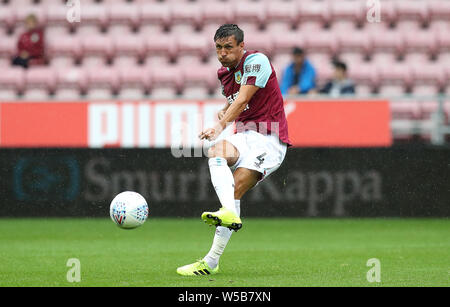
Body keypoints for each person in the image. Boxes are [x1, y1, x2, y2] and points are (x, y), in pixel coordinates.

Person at [176, 24, 291, 276]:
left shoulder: (257, 60)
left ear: (241, 45)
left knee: (236, 188)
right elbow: (236, 104)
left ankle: (211, 261)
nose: (223, 52)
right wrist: (224, 112)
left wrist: (220, 124)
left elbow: (243, 100)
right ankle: (216, 250)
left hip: (270, 138)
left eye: (228, 47)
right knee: (216, 153)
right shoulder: (225, 74)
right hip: (246, 135)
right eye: (218, 48)